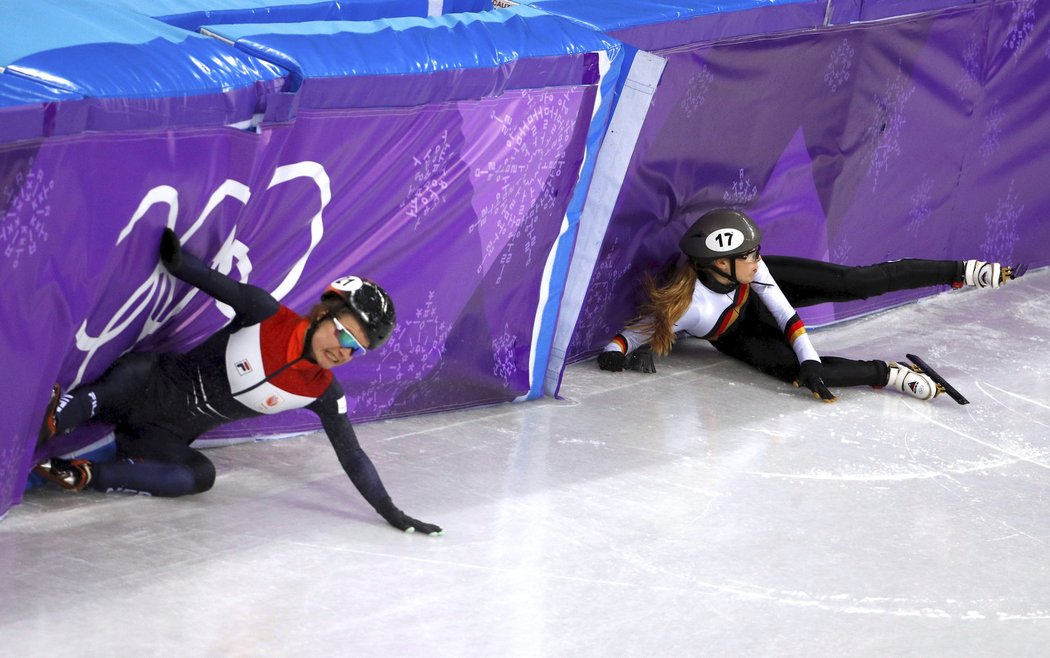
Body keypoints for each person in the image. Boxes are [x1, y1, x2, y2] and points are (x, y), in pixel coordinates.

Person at [33, 229, 441, 535]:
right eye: (345, 335)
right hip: (143, 385)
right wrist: (172, 251)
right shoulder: (264, 312)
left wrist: (391, 511)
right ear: (322, 313)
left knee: (201, 476)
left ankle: (85, 475)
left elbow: (353, 456)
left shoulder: (322, 391)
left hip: (161, 437)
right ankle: (60, 415)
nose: (344, 352)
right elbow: (189, 269)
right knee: (136, 372)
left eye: (358, 349)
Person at [597, 208, 1025, 402]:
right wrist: (615, 352)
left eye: (755, 250)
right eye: (747, 254)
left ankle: (959, 270)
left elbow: (784, 312)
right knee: (796, 375)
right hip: (736, 334)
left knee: (853, 282)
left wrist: (809, 353)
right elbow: (638, 331)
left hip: (760, 302)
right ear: (720, 265)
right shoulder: (689, 304)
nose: (756, 258)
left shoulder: (755, 269)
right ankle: (890, 375)